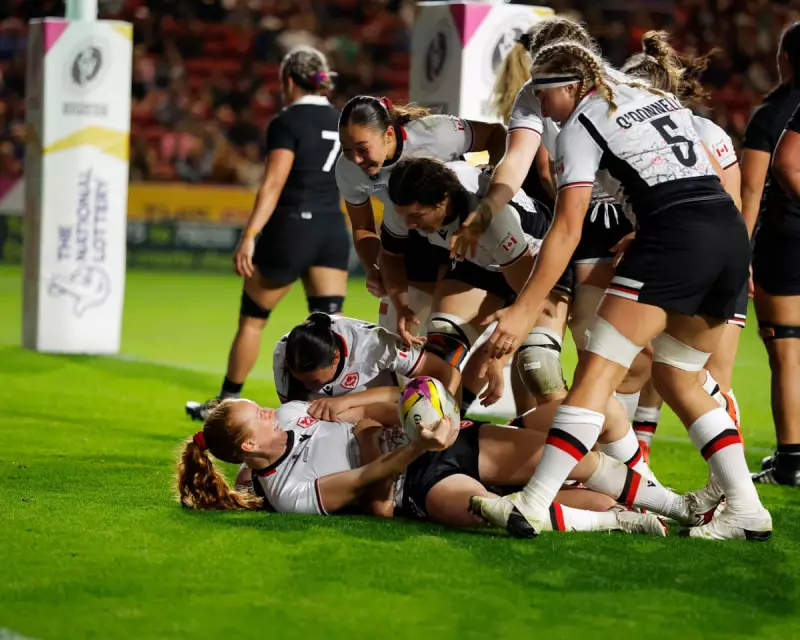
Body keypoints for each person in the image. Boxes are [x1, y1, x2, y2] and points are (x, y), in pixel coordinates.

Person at [471, 41, 771, 541]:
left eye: (544, 97)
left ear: (571, 87)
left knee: (595, 373)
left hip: (675, 238)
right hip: (725, 235)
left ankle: (532, 505)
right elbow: (688, 177)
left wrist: (524, 308)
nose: (542, 109)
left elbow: (567, 230)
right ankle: (746, 509)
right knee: (680, 379)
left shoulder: (583, 121)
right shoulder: (647, 95)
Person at [176, 394, 714, 534]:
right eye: (261, 416)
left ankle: (681, 505)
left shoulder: (295, 413)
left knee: (575, 459)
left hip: (432, 440)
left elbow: (368, 409)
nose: (274, 411)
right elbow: (368, 484)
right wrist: (403, 445)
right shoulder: (289, 495)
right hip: (419, 479)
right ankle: (620, 519)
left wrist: (418, 412)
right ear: (248, 447)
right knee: (498, 512)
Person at [454, 16, 638, 418]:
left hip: (627, 216)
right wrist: (488, 209)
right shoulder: (532, 92)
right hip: (575, 215)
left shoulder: (621, 92)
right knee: (567, 346)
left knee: (631, 352)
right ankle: (569, 444)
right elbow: (517, 157)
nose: (539, 94)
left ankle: (621, 456)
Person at [186, 46, 348, 422]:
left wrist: (250, 234)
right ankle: (329, 407)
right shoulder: (342, 120)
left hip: (292, 228)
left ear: (287, 81)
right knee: (330, 327)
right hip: (331, 229)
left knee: (254, 319)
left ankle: (225, 403)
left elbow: (273, 183)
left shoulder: (287, 122)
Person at [619, 31, 745, 462]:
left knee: (692, 374)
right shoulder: (711, 132)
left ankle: (639, 461)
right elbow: (734, 204)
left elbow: (716, 202)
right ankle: (648, 455)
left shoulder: (688, 134)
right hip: (723, 257)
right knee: (688, 372)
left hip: (687, 256)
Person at [335, 95, 507, 333]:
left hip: (464, 236)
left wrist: (490, 186)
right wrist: (375, 268)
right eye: (346, 150)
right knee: (399, 335)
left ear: (388, 135)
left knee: (449, 336)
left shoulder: (435, 132)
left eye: (362, 149)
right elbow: (363, 227)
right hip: (408, 240)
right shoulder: (347, 169)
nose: (355, 159)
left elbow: (497, 134)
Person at [742, 22, 800, 486]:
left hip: (785, 243)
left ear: (786, 59)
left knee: (786, 355)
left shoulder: (772, 113)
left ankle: (790, 463)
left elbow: (751, 192)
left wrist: (740, 254)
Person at [272, 311, 453, 404]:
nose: (308, 388)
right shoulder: (284, 354)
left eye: (315, 381)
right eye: (301, 380)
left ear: (336, 357)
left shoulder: (374, 345)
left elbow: (444, 371)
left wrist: (449, 417)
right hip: (325, 418)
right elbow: (294, 413)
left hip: (377, 409)